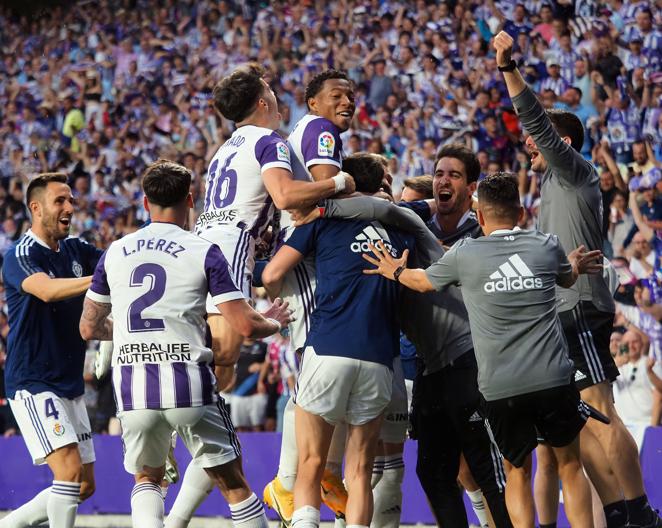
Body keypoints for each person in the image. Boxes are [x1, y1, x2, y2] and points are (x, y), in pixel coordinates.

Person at [363, 172, 600, 528]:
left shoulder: (465, 254)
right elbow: (566, 277)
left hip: (500, 386)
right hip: (553, 377)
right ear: (521, 213)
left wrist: (394, 271)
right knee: (569, 465)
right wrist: (577, 265)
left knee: (516, 472)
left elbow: (423, 282)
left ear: (482, 218)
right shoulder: (545, 245)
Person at [493, 30, 662, 528]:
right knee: (578, 417)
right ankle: (616, 511)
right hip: (559, 312)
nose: (529, 147)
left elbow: (535, 122)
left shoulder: (576, 171)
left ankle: (640, 509)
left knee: (599, 406)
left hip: (583, 307)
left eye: (538, 142)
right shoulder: (549, 186)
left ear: (561, 143)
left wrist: (508, 68)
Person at [78, 159, 292, 528]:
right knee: (233, 482)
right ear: (190, 200)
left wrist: (132, 334)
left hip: (133, 387)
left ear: (145, 203)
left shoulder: (115, 251)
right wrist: (274, 320)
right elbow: (243, 324)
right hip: (188, 383)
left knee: (147, 477)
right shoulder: (204, 250)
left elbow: (88, 327)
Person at [262, 157, 415, 528]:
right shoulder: (402, 230)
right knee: (360, 470)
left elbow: (271, 273)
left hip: (328, 346)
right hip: (380, 357)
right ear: (382, 184)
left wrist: (283, 300)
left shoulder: (323, 220)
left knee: (311, 463)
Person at [264, 69, 357, 525]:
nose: (347, 102)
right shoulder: (320, 131)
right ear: (313, 102)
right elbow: (328, 191)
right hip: (308, 255)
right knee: (313, 364)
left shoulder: (306, 129)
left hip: (305, 253)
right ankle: (286, 481)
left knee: (321, 368)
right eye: (336, 95)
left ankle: (316, 474)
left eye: (351, 96)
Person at [1, 173, 102, 528]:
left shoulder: (77, 250)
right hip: (33, 380)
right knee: (70, 473)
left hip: (69, 380)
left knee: (84, 485)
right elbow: (46, 290)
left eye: (71, 200)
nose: (69, 208)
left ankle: (10, 524)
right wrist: (97, 280)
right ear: (36, 207)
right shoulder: (20, 255)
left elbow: (115, 263)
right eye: (60, 201)